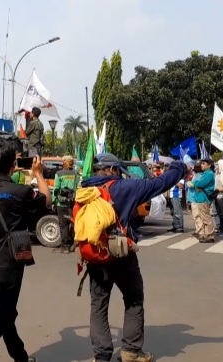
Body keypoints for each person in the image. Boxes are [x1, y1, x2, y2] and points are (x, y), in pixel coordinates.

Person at [80, 153, 185, 362]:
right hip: (121, 254)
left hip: (94, 256)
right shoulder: (126, 187)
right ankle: (131, 351)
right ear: (112, 170)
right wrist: (179, 167)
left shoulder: (84, 190)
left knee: (98, 305)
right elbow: (161, 183)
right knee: (134, 299)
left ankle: (101, 356)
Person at [0, 142, 50, 362]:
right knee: (1, 312)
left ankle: (20, 356)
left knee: (6, 311)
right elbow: (46, 200)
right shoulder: (20, 191)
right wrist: (39, 175)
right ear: (13, 165)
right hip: (10, 262)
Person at [52, 155, 78, 253]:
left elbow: (56, 189)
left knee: (63, 225)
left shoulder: (59, 173)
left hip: (61, 203)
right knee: (74, 223)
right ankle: (76, 244)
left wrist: (54, 201)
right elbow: (76, 187)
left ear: (64, 162)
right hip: (72, 202)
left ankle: (65, 247)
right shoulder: (76, 173)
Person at [189, 159, 216, 243]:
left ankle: (210, 235)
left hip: (204, 198)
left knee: (206, 218)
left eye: (204, 164)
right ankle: (206, 234)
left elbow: (198, 184)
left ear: (209, 165)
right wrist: (196, 184)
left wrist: (195, 184)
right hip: (200, 198)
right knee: (203, 217)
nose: (201, 165)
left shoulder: (209, 174)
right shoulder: (205, 173)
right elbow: (196, 183)